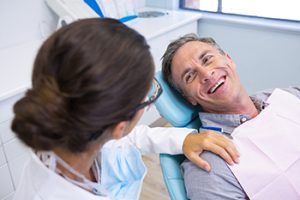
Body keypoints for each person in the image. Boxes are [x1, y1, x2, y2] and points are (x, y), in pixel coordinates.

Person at [11, 19, 239, 200]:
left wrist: (185, 138)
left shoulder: (76, 138)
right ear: (119, 126)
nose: (207, 74)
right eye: (148, 93)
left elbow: (132, 138)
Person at [161, 33, 300, 200]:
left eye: (207, 59)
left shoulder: (286, 95)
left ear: (229, 60)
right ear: (189, 98)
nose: (206, 74)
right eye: (190, 76)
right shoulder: (208, 168)